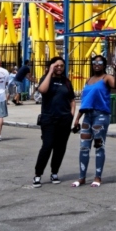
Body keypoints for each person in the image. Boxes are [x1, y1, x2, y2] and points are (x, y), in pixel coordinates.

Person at [72, 55, 116, 187]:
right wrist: (77, 118)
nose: (96, 64)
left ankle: (98, 177)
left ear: (104, 65)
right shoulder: (89, 80)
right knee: (84, 147)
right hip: (87, 116)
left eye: (99, 62)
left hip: (101, 116)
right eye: (94, 62)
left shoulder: (106, 78)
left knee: (98, 146)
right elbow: (86, 101)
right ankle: (82, 177)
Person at [34, 56, 76, 187]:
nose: (59, 68)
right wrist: (50, 72)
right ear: (51, 66)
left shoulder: (67, 82)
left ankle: (54, 172)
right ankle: (38, 174)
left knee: (60, 148)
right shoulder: (46, 79)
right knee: (47, 146)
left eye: (62, 66)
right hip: (49, 118)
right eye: (56, 65)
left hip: (64, 119)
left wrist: (71, 115)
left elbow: (72, 100)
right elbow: (42, 90)